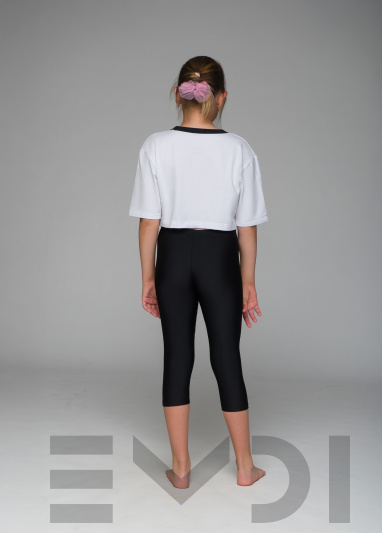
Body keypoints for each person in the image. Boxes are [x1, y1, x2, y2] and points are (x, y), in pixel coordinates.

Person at [129, 56, 268, 489]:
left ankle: (181, 467)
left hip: (172, 255)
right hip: (220, 258)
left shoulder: (155, 145)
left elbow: (148, 222)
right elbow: (247, 228)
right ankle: (245, 467)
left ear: (178, 94)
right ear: (221, 98)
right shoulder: (239, 149)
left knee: (177, 355)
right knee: (226, 356)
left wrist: (148, 277)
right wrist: (247, 281)